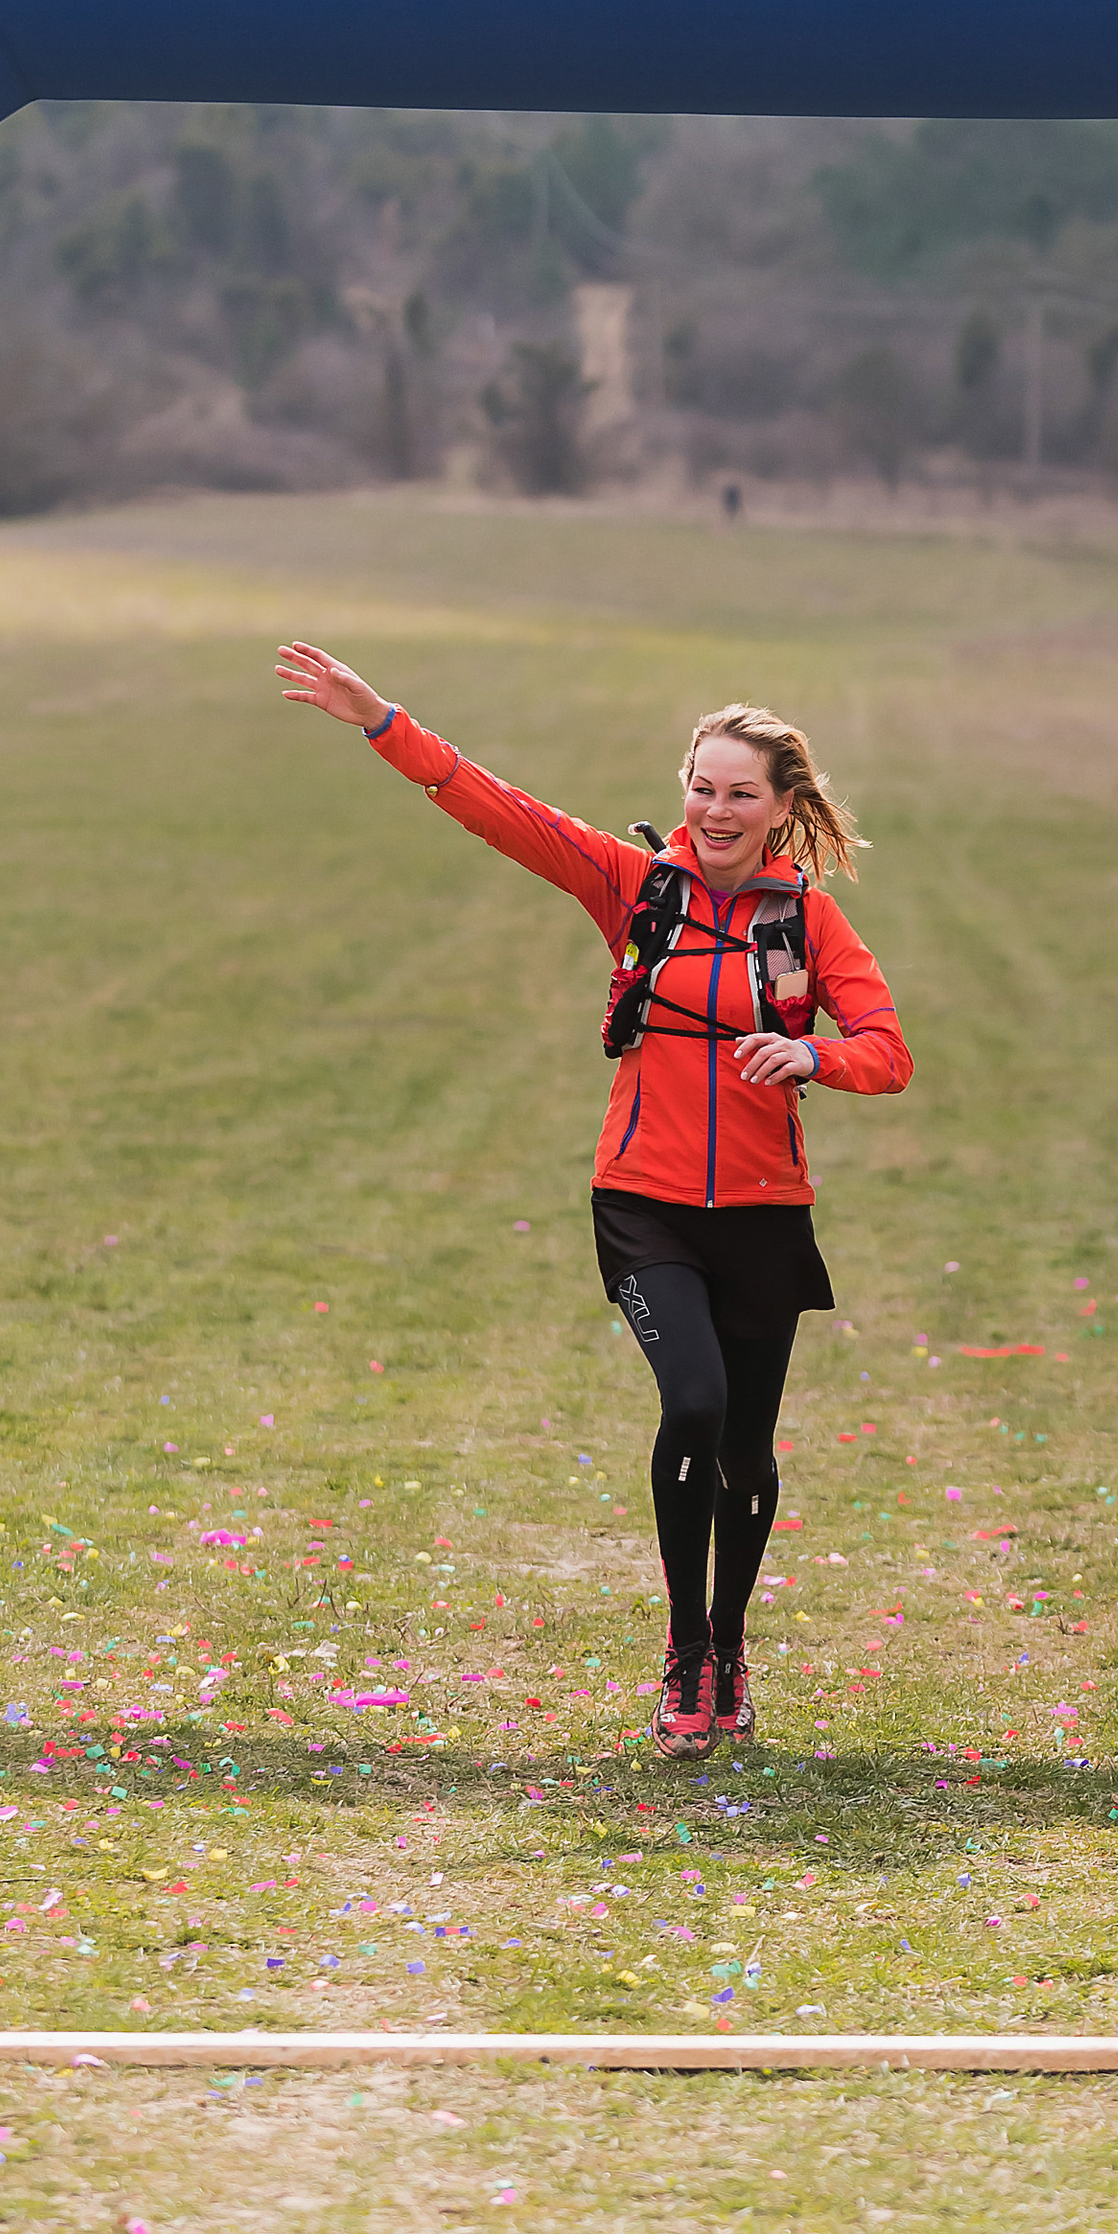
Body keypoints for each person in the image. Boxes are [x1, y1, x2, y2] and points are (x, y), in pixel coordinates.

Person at [277, 643, 911, 1755]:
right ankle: (681, 1656)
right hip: (644, 1203)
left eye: (740, 794)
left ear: (780, 806)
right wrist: (383, 722)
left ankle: (727, 1648)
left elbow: (887, 1051)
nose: (715, 810)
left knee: (749, 1453)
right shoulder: (633, 886)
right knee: (697, 1403)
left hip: (763, 1212)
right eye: (701, 787)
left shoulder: (810, 924)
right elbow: (495, 806)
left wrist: (816, 1061)